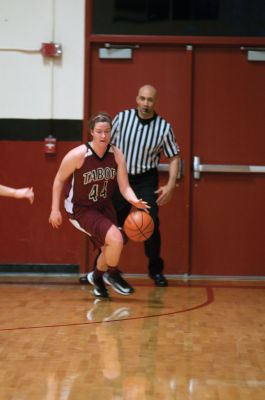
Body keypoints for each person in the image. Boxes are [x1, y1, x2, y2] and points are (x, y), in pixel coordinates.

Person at [80, 84, 180, 287]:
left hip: (145, 180)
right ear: (137, 99)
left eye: (150, 100)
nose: (146, 103)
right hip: (120, 177)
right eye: (142, 98)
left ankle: (156, 271)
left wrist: (170, 185)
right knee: (109, 226)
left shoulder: (163, 127)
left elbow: (174, 157)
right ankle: (98, 272)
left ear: (156, 102)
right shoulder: (122, 118)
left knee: (150, 224)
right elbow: (104, 143)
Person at [49, 112, 149, 299]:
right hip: (81, 209)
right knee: (116, 239)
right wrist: (55, 209)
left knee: (110, 247)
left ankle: (96, 278)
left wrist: (134, 200)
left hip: (103, 206)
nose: (104, 136)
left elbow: (125, 186)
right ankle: (112, 274)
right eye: (99, 131)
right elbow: (58, 180)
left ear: (112, 132)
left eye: (107, 131)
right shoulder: (78, 155)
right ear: (92, 133)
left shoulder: (117, 154)